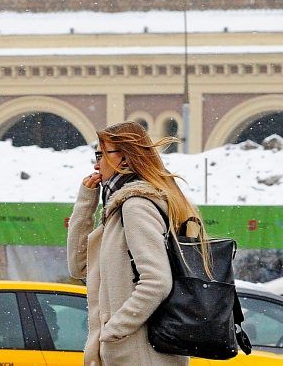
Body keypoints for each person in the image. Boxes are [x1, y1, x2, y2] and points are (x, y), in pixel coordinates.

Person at [67, 121, 208, 366]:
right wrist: (85, 204)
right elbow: (79, 267)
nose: (96, 163)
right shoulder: (119, 208)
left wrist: (114, 330)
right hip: (132, 354)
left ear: (124, 160)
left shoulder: (136, 205)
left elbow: (156, 281)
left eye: (101, 154)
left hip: (141, 355)